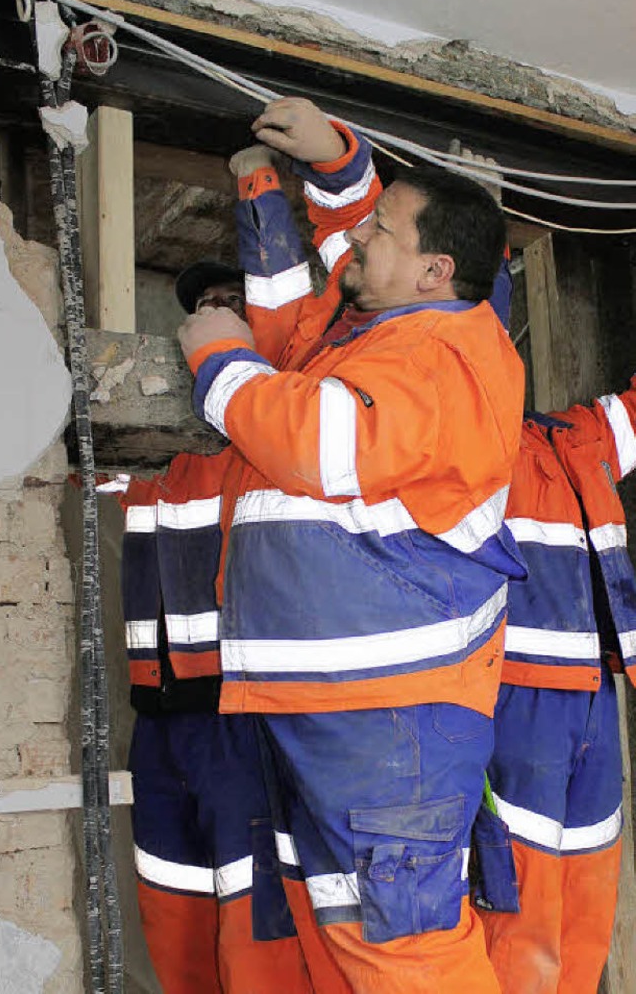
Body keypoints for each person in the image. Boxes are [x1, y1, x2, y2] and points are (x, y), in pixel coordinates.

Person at [179, 97, 526, 993]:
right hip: (358, 714)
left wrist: (219, 364)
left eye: (382, 226)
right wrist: (336, 164)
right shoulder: (402, 327)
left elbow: (321, 440)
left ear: (435, 269)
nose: (358, 236)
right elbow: (349, 266)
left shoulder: (443, 358)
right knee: (352, 940)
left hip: (392, 722)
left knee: (405, 956)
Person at [108, 261, 314, 994]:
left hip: (239, 720)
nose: (217, 310)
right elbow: (68, 459)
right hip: (159, 723)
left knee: (256, 920)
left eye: (235, 302)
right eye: (204, 306)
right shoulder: (151, 456)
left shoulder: (264, 442)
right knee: (174, 909)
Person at [474, 358, 636, 992]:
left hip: (598, 695)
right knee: (520, 912)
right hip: (519, 698)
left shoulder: (581, 436)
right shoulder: (468, 436)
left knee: (588, 905)